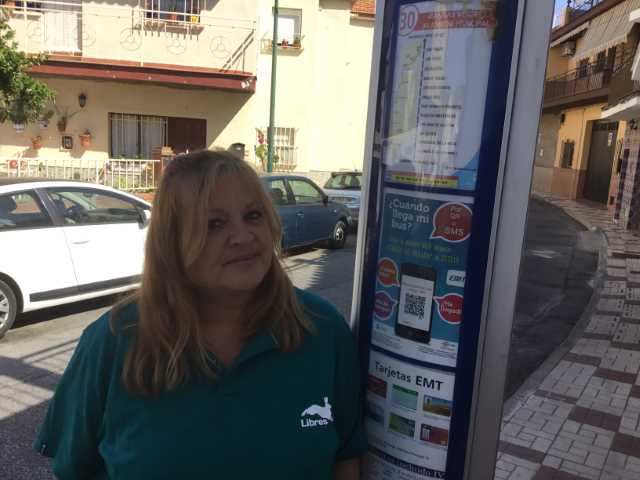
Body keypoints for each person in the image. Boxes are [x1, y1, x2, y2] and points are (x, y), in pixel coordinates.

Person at [35, 149, 367, 479]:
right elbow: (71, 470)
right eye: (214, 224)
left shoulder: (322, 329)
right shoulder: (113, 340)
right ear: (172, 242)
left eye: (253, 215)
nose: (243, 237)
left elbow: (346, 460)